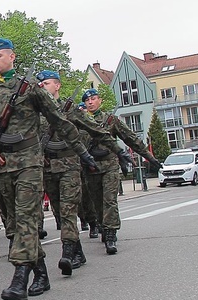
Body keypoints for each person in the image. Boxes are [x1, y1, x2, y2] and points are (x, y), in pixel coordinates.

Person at [0, 38, 97, 300]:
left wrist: (82, 152)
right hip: (2, 166)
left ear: (12, 57)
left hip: (29, 162)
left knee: (28, 219)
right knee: (15, 225)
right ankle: (41, 274)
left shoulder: (31, 90)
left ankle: (20, 279)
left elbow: (60, 122)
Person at [36, 71, 129, 274]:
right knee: (60, 212)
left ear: (57, 86)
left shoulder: (70, 111)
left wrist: (120, 151)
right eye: (40, 83)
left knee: (72, 210)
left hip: (70, 165)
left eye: (47, 83)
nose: (42, 86)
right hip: (47, 167)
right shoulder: (35, 112)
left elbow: (97, 131)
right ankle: (78, 251)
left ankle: (70, 251)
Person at [82, 87, 162, 254]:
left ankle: (111, 234)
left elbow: (131, 138)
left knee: (109, 200)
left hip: (110, 165)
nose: (90, 102)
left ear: (100, 101)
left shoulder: (111, 120)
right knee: (97, 203)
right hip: (90, 167)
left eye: (93, 99)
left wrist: (150, 157)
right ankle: (103, 226)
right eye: (87, 100)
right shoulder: (79, 121)